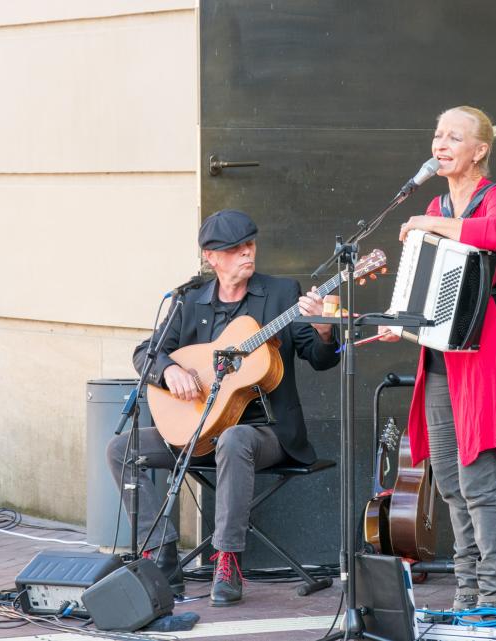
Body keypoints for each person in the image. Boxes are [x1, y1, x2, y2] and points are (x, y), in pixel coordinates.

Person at [106, 209, 339, 607]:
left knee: (234, 438)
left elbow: (320, 357)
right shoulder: (189, 301)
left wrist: (323, 327)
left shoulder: (283, 295)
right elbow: (146, 353)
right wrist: (170, 370)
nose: (247, 254)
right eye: (235, 249)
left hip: (266, 433)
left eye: (250, 244)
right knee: (121, 449)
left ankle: (228, 558)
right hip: (200, 431)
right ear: (211, 257)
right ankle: (160, 552)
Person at [379, 106, 496, 613]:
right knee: (451, 483)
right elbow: (429, 283)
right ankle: (467, 591)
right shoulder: (435, 199)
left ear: (480, 150)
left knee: (479, 483)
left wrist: (431, 223)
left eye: (454, 136)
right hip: (439, 355)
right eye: (437, 134)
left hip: (483, 354)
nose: (441, 143)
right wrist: (403, 320)